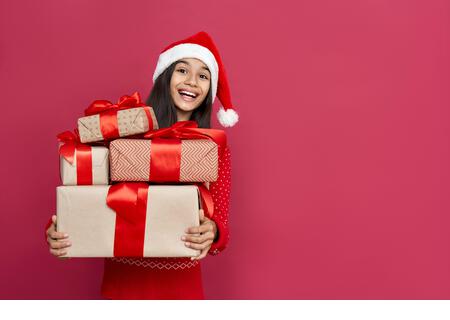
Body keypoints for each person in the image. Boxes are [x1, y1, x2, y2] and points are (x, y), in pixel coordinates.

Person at [44, 31, 239, 299]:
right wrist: (61, 228)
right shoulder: (124, 131)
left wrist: (213, 232)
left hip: (182, 290)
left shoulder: (213, 148)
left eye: (203, 75)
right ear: (165, 76)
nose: (192, 81)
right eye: (182, 70)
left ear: (210, 89)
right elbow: (83, 193)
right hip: (123, 286)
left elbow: (221, 225)